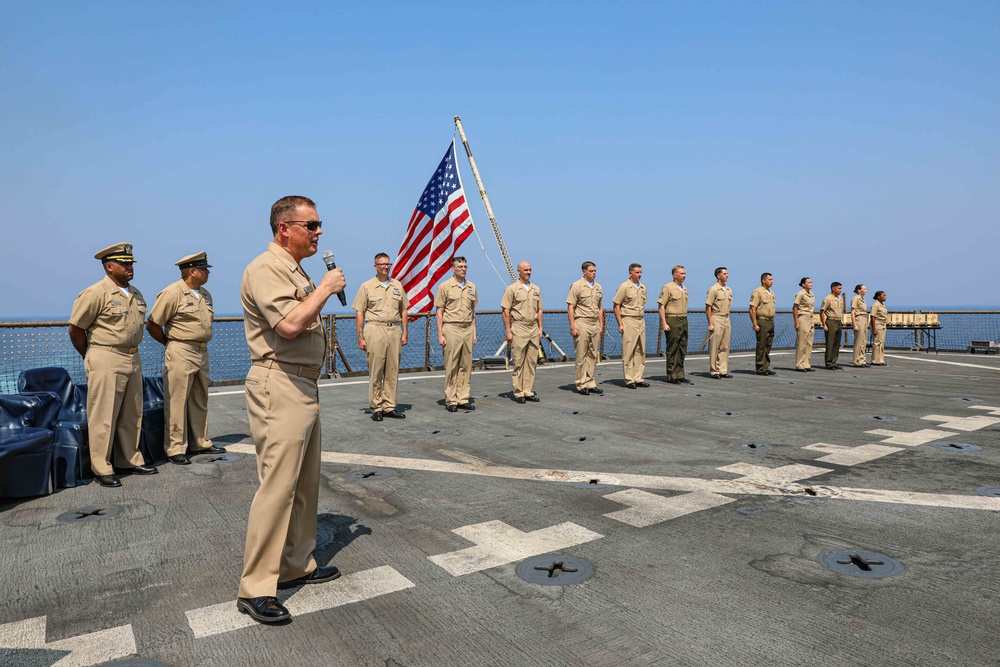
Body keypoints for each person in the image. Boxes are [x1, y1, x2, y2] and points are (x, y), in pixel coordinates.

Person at [237, 196, 346, 624]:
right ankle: (255, 587)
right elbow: (287, 325)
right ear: (285, 228)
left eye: (319, 225)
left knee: (304, 483)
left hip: (302, 382)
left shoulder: (293, 269)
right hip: (278, 381)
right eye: (312, 225)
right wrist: (324, 288)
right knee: (277, 487)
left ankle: (296, 563)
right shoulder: (265, 268)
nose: (319, 232)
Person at [68, 243, 158, 488]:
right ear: (109, 267)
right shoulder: (96, 293)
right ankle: (101, 466)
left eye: (131, 264)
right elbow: (76, 329)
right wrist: (91, 356)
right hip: (105, 355)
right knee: (104, 414)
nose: (130, 267)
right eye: (124, 264)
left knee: (132, 412)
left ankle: (129, 458)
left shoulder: (136, 294)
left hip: (132, 357)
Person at [146, 251, 227, 465]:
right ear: (192, 271)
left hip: (201, 351)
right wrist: (171, 344)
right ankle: (175, 448)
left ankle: (200, 441)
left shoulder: (206, 294)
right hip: (181, 350)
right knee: (177, 400)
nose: (208, 272)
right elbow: (153, 324)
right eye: (204, 269)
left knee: (200, 398)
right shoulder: (172, 293)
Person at [353, 252, 408, 421]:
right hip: (375, 329)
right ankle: (376, 407)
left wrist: (405, 332)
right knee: (376, 370)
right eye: (382, 264)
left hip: (394, 330)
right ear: (375, 266)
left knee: (392, 370)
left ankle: (389, 406)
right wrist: (360, 336)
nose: (385, 267)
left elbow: (403, 309)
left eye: (388, 264)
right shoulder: (366, 286)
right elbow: (360, 312)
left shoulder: (397, 285)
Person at [435, 256, 478, 412]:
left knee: (466, 365)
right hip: (451, 328)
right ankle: (451, 399)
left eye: (465, 266)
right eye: (460, 266)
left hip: (467, 328)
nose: (463, 269)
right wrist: (440, 334)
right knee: (452, 365)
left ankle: (463, 398)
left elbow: (473, 312)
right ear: (452, 269)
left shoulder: (472, 287)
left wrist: (474, 332)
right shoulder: (445, 287)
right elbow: (439, 312)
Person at [501, 261, 543, 403]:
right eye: (525, 270)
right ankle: (518, 392)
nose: (528, 272)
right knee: (518, 361)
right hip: (519, 327)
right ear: (518, 271)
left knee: (531, 361)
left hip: (533, 327)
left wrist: (540, 328)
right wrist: (508, 331)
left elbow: (539, 310)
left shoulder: (536, 289)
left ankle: (528, 390)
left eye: (530, 269)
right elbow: (505, 310)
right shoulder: (512, 289)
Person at [566, 261, 604, 395]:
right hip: (581, 322)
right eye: (591, 271)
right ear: (584, 271)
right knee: (581, 354)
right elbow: (571, 307)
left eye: (595, 271)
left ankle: (590, 382)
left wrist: (601, 324)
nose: (594, 273)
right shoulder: (577, 286)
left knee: (593, 354)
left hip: (594, 323)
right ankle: (581, 384)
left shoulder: (598, 287)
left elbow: (600, 307)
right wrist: (572, 326)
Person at [613, 263, 649, 388]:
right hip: (628, 320)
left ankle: (638, 377)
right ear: (630, 273)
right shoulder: (624, 287)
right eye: (637, 272)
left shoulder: (643, 287)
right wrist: (620, 324)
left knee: (640, 350)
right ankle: (629, 379)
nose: (640, 275)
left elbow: (644, 302)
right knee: (629, 350)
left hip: (640, 320)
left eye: (640, 272)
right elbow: (616, 306)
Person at [657, 265, 690, 384]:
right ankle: (672, 375)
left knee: (682, 347)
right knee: (672, 348)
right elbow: (661, 306)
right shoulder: (668, 288)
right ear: (674, 275)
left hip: (683, 318)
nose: (684, 276)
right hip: (673, 319)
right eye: (681, 273)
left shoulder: (683, 288)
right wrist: (664, 323)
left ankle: (680, 373)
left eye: (685, 273)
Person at [705, 267, 733, 379]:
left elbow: (728, 307)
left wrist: (729, 321)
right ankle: (714, 371)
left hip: (726, 318)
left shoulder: (729, 290)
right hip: (716, 318)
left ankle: (723, 370)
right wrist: (710, 323)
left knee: (725, 346)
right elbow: (708, 307)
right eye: (725, 273)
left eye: (727, 273)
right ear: (718, 276)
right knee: (715, 346)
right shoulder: (714, 289)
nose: (727, 275)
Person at [749, 272, 777, 376]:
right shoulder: (757, 292)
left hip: (770, 321)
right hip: (762, 321)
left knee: (768, 345)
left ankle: (766, 366)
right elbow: (752, 309)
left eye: (772, 279)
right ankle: (760, 367)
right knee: (761, 345)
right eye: (770, 279)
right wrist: (755, 324)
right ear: (763, 280)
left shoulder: (771, 293)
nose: (772, 281)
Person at [792, 277, 816, 372]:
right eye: (809, 282)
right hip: (803, 318)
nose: (811, 284)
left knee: (809, 343)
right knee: (802, 342)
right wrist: (796, 322)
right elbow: (795, 308)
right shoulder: (800, 294)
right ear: (803, 284)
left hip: (810, 318)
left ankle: (806, 363)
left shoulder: (811, 294)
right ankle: (799, 364)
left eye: (811, 282)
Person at [820, 282, 845, 370]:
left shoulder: (840, 298)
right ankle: (829, 363)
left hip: (838, 321)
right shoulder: (828, 299)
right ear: (833, 289)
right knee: (830, 343)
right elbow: (822, 312)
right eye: (839, 288)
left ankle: (834, 361)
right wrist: (824, 324)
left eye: (841, 288)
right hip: (831, 320)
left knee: (837, 343)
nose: (840, 290)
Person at [851, 284, 870, 368]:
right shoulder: (855, 299)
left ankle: (862, 360)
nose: (866, 290)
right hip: (858, 318)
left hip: (864, 319)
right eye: (864, 289)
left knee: (863, 341)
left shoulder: (862, 299)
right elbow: (852, 312)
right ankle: (857, 361)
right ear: (859, 290)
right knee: (859, 341)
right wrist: (854, 324)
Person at [870, 290, 888, 366]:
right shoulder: (875, 305)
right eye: (883, 295)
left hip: (883, 324)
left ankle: (880, 359)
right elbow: (872, 316)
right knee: (877, 342)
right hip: (877, 324)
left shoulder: (882, 305)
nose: (885, 297)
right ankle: (875, 360)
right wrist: (874, 328)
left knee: (881, 343)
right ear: (878, 296)